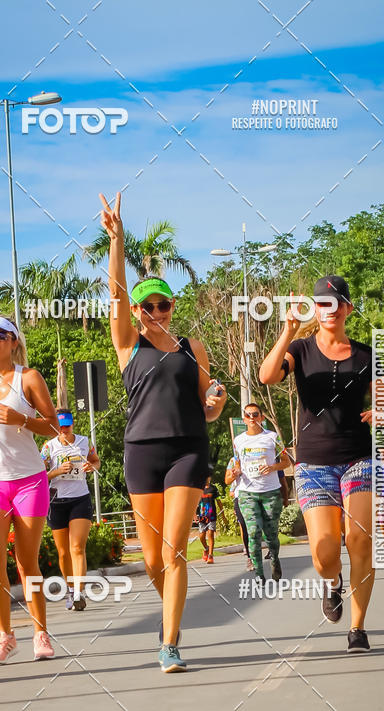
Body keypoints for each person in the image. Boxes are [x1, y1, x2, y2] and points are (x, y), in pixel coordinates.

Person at [99, 191, 227, 673]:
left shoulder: (193, 347)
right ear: (135, 311)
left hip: (188, 452)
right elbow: (113, 292)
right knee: (153, 559)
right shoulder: (128, 345)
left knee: (174, 550)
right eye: (147, 304)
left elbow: (208, 410)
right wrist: (118, 239)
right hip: (141, 454)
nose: (156, 310)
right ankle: (171, 612)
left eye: (163, 303)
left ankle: (169, 642)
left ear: (172, 306)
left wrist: (213, 404)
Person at [260, 275, 375, 653]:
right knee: (325, 554)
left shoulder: (365, 355)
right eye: (322, 303)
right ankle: (332, 581)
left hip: (359, 458)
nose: (329, 309)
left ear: (347, 309)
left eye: (336, 303)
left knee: (360, 541)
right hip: (314, 463)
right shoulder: (300, 349)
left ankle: (357, 629)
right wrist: (288, 327)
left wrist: (383, 410)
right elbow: (266, 377)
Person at [0, 315, 59, 664]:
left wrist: (22, 419)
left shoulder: (30, 377)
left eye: (0, 334)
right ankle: (4, 636)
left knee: (26, 562)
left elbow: (53, 427)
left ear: (13, 342)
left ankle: (40, 631)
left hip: (29, 480)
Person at [41, 409, 100, 610]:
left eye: (67, 425)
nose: (64, 429)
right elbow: (39, 476)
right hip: (56, 502)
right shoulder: (48, 447)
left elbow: (96, 461)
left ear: (72, 424)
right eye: (60, 426)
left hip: (80, 499)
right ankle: (70, 589)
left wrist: (92, 467)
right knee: (64, 553)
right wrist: (57, 471)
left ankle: (79, 593)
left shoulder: (84, 442)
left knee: (77, 547)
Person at [232, 402, 290, 582]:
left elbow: (286, 462)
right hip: (247, 492)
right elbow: (237, 463)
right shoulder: (238, 440)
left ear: (262, 418)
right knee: (254, 531)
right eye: (248, 415)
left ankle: (274, 559)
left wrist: (272, 467)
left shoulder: (272, 437)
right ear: (244, 419)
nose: (251, 418)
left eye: (255, 414)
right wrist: (236, 471)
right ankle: (258, 573)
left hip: (270, 492)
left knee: (271, 535)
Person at [224, 455, 253, 570]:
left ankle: (261, 553)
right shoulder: (234, 460)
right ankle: (250, 558)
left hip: (256, 493)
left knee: (256, 527)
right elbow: (227, 480)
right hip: (240, 496)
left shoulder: (256, 454)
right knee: (244, 526)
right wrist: (234, 474)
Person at [196, 474, 225, 563]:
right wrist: (194, 515)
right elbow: (195, 503)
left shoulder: (213, 488)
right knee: (201, 536)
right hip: (202, 516)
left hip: (211, 516)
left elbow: (219, 501)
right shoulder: (199, 489)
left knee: (211, 534)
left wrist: (223, 514)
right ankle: (206, 548)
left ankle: (210, 555)